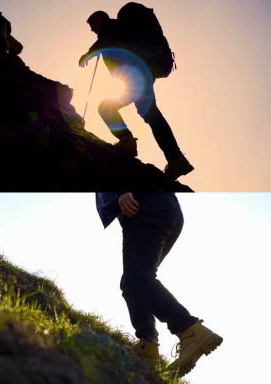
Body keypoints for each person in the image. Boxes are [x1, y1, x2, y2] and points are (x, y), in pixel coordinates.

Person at [95, 192, 222, 376]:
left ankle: (190, 330)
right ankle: (149, 346)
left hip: (145, 206)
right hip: (165, 209)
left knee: (137, 279)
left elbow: (114, 162)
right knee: (133, 282)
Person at [79, 9, 194, 180]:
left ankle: (128, 142)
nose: (91, 29)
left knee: (106, 107)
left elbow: (104, 40)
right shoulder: (116, 30)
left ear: (100, 19)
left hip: (136, 77)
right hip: (141, 75)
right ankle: (176, 158)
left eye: (92, 24)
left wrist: (87, 54)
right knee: (150, 115)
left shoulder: (110, 28)